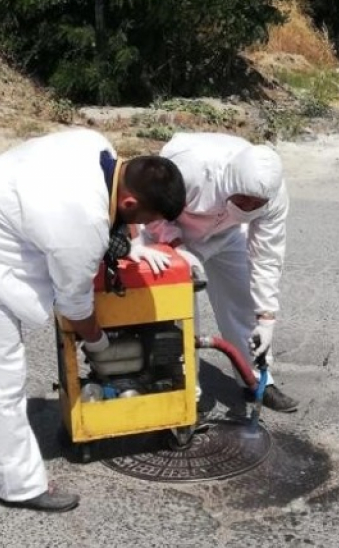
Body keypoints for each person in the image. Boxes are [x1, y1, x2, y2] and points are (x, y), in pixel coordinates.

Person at [0, 128, 186, 513]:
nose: (145, 228)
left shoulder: (97, 147)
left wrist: (136, 241)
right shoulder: (82, 221)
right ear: (129, 201)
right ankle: (21, 486)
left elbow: (117, 223)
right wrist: (99, 347)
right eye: (147, 220)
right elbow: (75, 306)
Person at [127, 132, 299, 413]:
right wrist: (177, 246)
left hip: (227, 233)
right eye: (242, 200)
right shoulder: (190, 169)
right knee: (179, 315)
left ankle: (256, 380)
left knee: (244, 303)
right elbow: (154, 209)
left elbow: (267, 254)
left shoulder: (273, 193)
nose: (249, 207)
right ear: (230, 183)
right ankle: (184, 393)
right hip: (172, 230)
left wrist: (266, 316)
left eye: (256, 205)